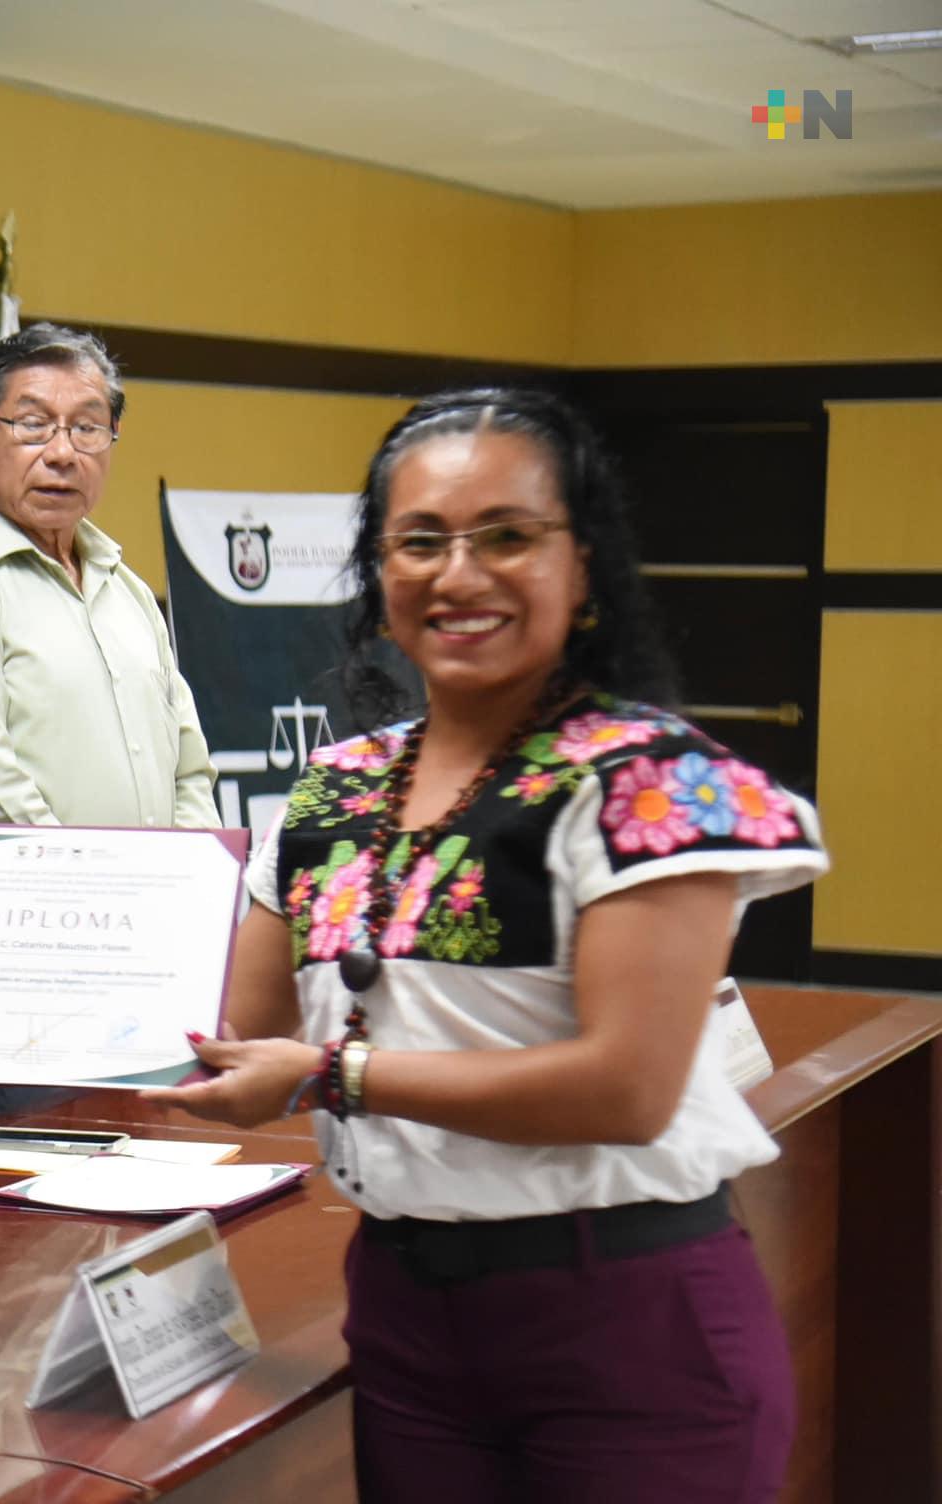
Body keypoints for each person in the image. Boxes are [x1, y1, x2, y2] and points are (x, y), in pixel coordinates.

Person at [144, 388, 824, 1502]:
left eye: (505, 535)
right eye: (418, 541)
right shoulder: (332, 787)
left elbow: (625, 1089)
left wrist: (330, 1075)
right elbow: (230, 1037)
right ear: (376, 573)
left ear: (584, 561)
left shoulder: (655, 783)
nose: (457, 575)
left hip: (627, 1319)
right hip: (408, 1319)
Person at [0, 323, 215, 1140]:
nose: (63, 452)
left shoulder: (127, 587)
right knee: (4, 1249)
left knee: (130, 1238)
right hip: (8, 1004)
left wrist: (181, 919)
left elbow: (189, 769)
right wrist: (123, 926)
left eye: (87, 427)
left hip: (143, 989)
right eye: (32, 424)